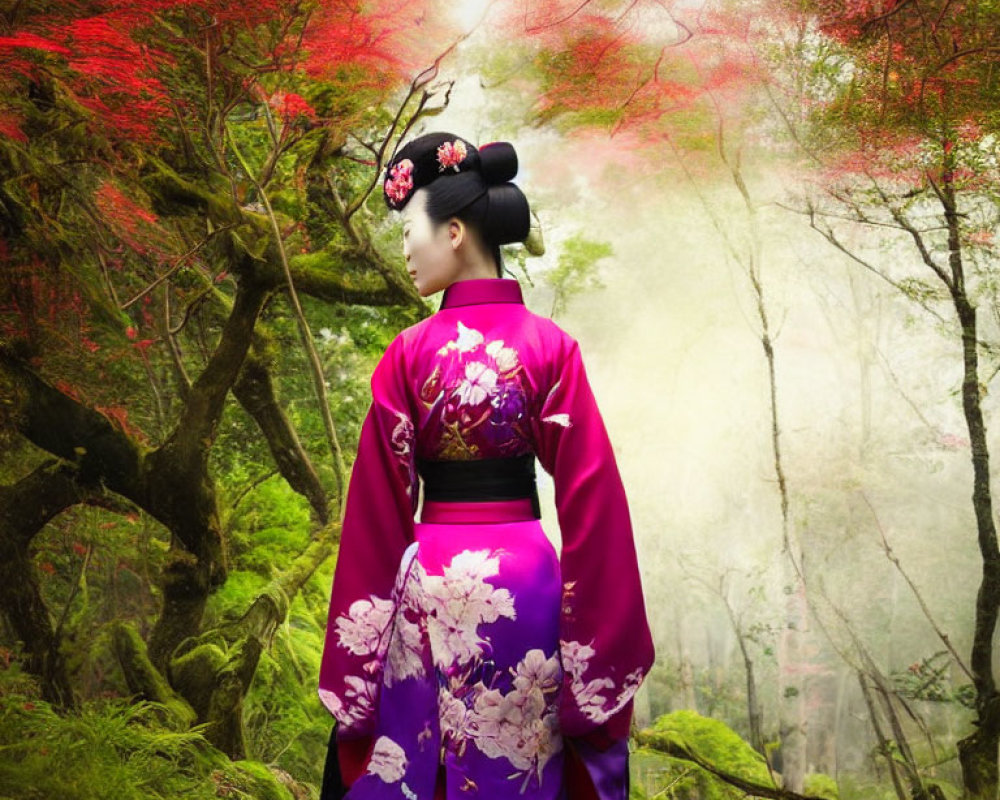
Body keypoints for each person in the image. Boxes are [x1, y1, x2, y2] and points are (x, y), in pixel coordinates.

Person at [317, 132, 655, 800]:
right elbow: (594, 503)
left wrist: (357, 668)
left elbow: (377, 518)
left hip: (429, 587)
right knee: (524, 767)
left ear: (453, 231)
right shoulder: (551, 349)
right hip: (526, 591)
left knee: (424, 770)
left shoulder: (407, 355)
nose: (405, 249)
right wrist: (595, 648)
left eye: (410, 229)